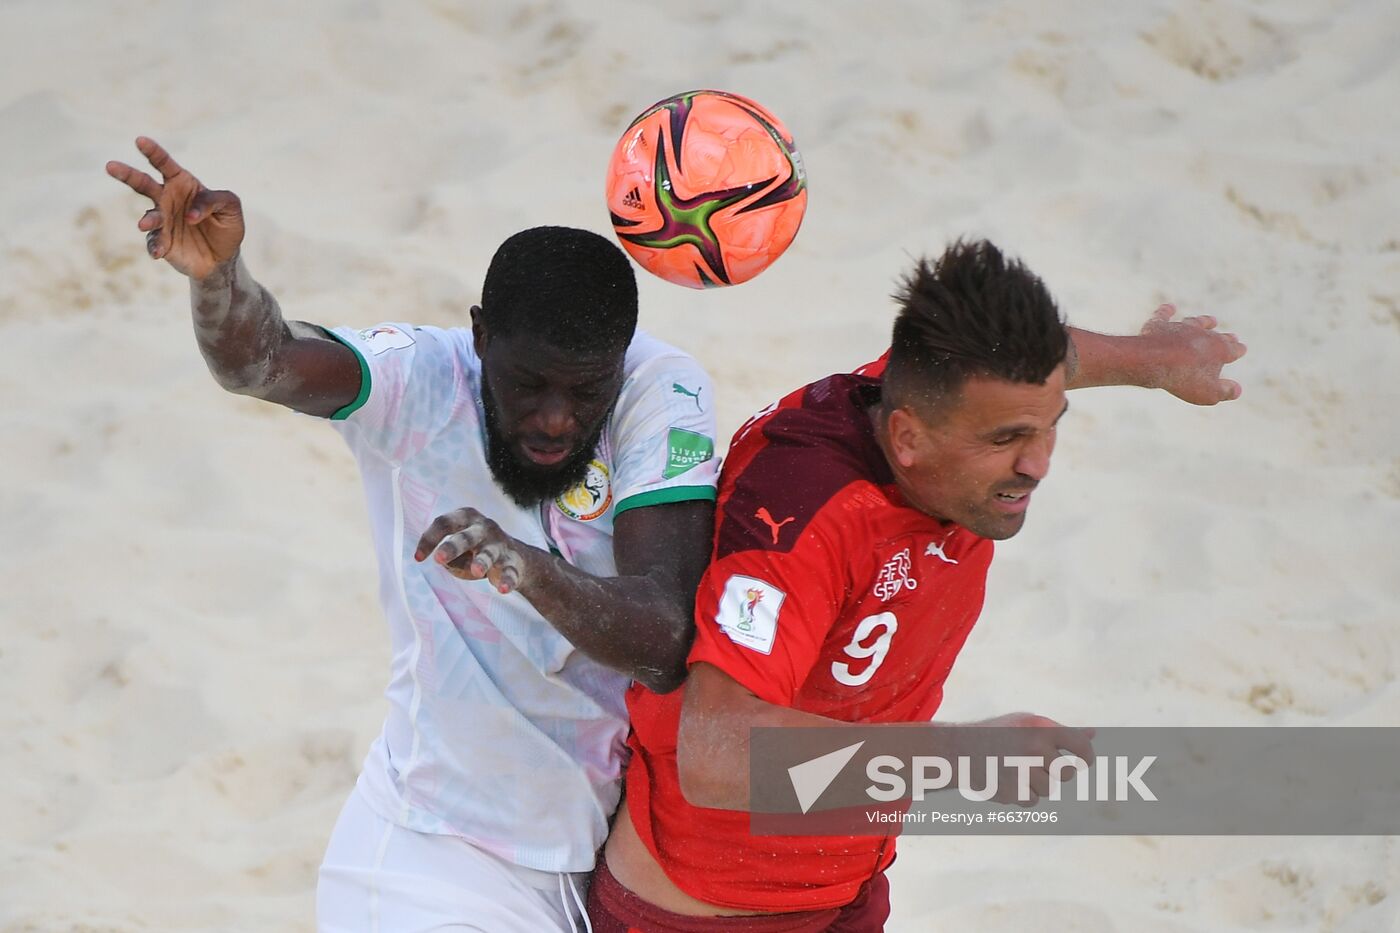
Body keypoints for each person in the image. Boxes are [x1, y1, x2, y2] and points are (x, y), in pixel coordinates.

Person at [106, 137, 721, 932]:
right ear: (480, 337)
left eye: (585, 389)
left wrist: (526, 567)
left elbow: (665, 635)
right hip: (430, 862)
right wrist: (221, 279)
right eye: (528, 384)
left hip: (592, 869)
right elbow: (264, 361)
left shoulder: (658, 391)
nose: (555, 419)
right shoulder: (420, 380)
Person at [588, 240, 1247, 931]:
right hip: (707, 914)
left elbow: (1055, 361)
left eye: (1052, 425)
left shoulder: (941, 399)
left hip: (848, 888)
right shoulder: (806, 514)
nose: (1037, 464)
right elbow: (715, 754)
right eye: (1007, 439)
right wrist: (963, 754)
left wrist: (1156, 360)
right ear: (907, 438)